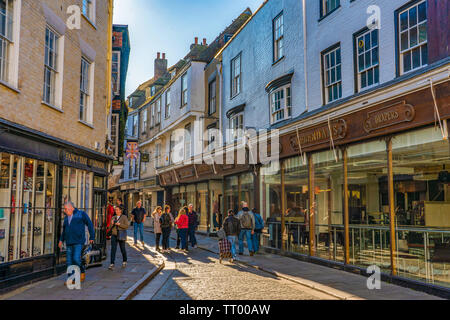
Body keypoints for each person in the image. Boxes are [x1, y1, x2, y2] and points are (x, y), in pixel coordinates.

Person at [58, 201, 95, 285]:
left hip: (78, 241)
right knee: (69, 261)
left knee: (76, 259)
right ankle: (71, 279)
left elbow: (90, 224)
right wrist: (61, 240)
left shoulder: (81, 214)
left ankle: (81, 271)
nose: (65, 211)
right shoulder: (66, 218)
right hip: (69, 242)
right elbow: (64, 230)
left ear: (71, 208)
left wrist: (92, 236)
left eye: (66, 209)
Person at [108, 206, 129, 270]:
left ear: (120, 211)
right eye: (115, 210)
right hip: (114, 235)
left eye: (117, 210)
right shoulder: (113, 217)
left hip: (121, 235)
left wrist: (119, 224)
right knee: (113, 249)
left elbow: (126, 226)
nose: (116, 211)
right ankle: (112, 263)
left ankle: (124, 261)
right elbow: (110, 227)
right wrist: (111, 224)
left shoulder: (124, 217)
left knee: (122, 249)